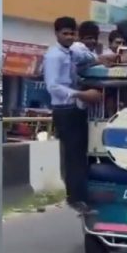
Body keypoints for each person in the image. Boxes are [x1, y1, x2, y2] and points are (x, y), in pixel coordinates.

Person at [43, 17, 104, 214]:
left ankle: (83, 197)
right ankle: (75, 198)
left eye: (72, 33)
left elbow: (84, 61)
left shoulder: (70, 53)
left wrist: (100, 60)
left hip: (75, 108)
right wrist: (81, 94)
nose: (69, 37)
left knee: (80, 156)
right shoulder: (54, 56)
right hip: (64, 110)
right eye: (65, 33)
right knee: (72, 157)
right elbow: (52, 86)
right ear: (57, 34)